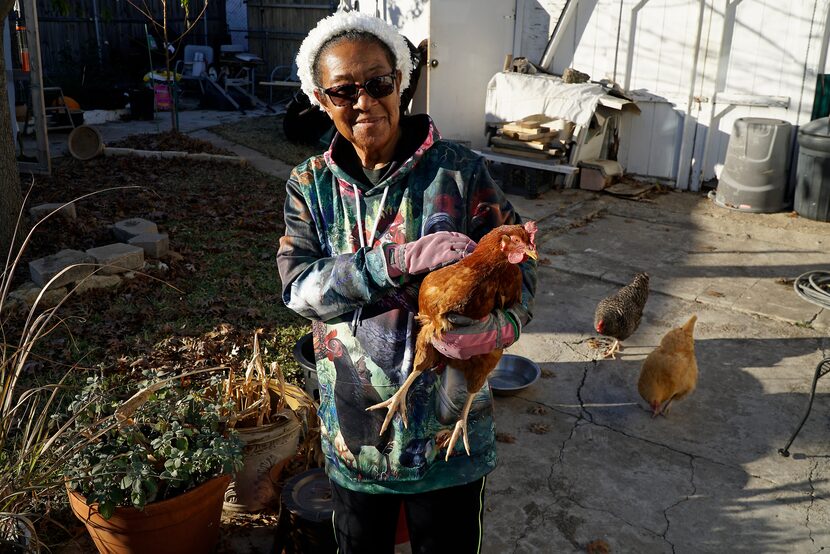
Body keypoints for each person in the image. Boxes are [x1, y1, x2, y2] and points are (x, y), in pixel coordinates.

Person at [276, 10, 537, 554]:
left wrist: (501, 329)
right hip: (358, 436)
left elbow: (522, 267)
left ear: (402, 84)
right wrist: (391, 262)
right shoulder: (309, 186)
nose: (364, 101)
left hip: (450, 436)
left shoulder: (461, 173)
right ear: (321, 100)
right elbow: (298, 289)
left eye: (378, 83)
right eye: (344, 91)